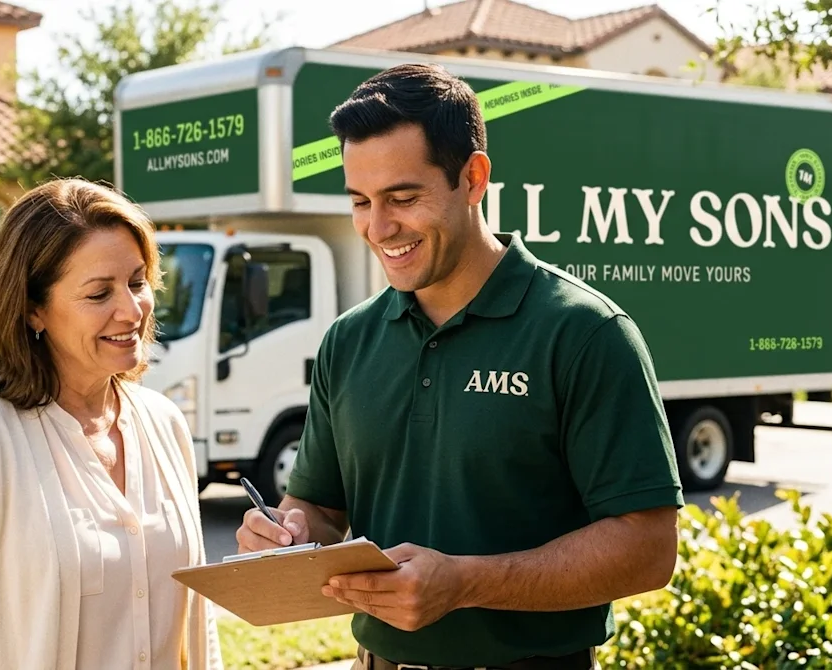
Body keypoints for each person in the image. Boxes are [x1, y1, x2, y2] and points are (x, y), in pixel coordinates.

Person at [236, 63, 683, 669]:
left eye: (403, 197)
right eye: (361, 201)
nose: (379, 227)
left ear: (473, 179)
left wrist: (468, 582)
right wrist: (286, 534)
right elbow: (319, 509)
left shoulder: (585, 332)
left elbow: (649, 548)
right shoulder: (349, 339)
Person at [0, 178, 223, 670]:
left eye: (136, 281)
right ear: (33, 309)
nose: (131, 310)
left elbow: (198, 626)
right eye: (98, 293)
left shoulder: (164, 423)